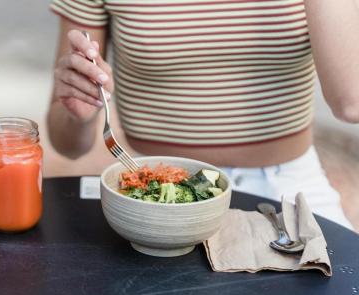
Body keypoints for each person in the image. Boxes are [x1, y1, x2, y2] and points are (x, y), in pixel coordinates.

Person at [47, 0, 359, 229]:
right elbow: (67, 144)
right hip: (158, 194)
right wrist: (81, 113)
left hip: (286, 187)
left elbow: (351, 102)